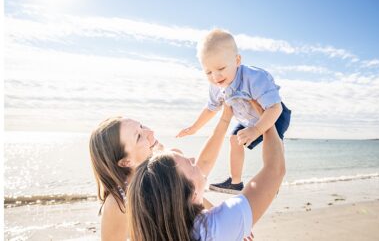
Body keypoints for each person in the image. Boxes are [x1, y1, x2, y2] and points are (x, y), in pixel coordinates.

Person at [127, 104, 286, 241]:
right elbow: (275, 169)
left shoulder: (151, 228)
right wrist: (264, 117)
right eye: (190, 164)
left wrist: (225, 117)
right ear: (193, 195)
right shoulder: (213, 228)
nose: (194, 159)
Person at [176, 29, 291, 194]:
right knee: (234, 139)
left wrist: (257, 129)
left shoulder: (254, 77)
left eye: (221, 68)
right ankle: (235, 182)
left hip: (273, 115)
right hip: (248, 121)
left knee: (272, 141)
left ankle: (274, 179)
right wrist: (194, 127)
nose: (215, 76)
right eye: (208, 72)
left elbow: (275, 107)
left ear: (237, 60)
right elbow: (211, 108)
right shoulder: (216, 86)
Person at [89, 115, 219, 240]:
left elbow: (213, 216)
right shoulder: (118, 203)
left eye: (141, 125)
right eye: (139, 136)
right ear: (125, 162)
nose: (150, 132)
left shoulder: (170, 167)